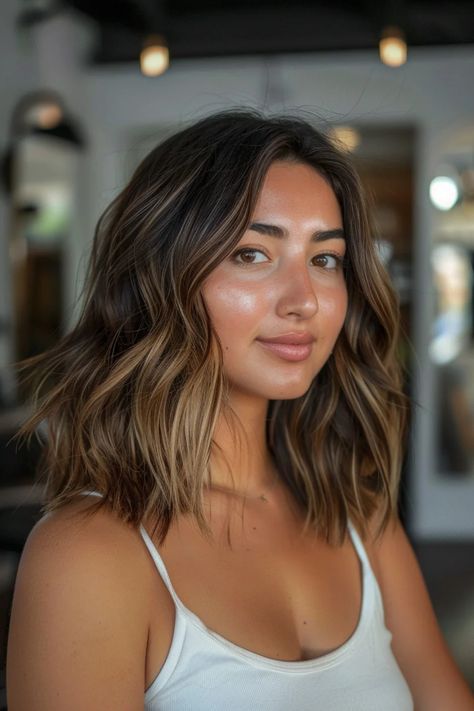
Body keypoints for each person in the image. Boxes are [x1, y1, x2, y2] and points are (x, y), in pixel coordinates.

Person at [6, 109, 474, 710]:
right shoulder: (88, 556)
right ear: (161, 274)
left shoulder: (358, 516)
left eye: (325, 259)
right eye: (253, 254)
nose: (304, 299)